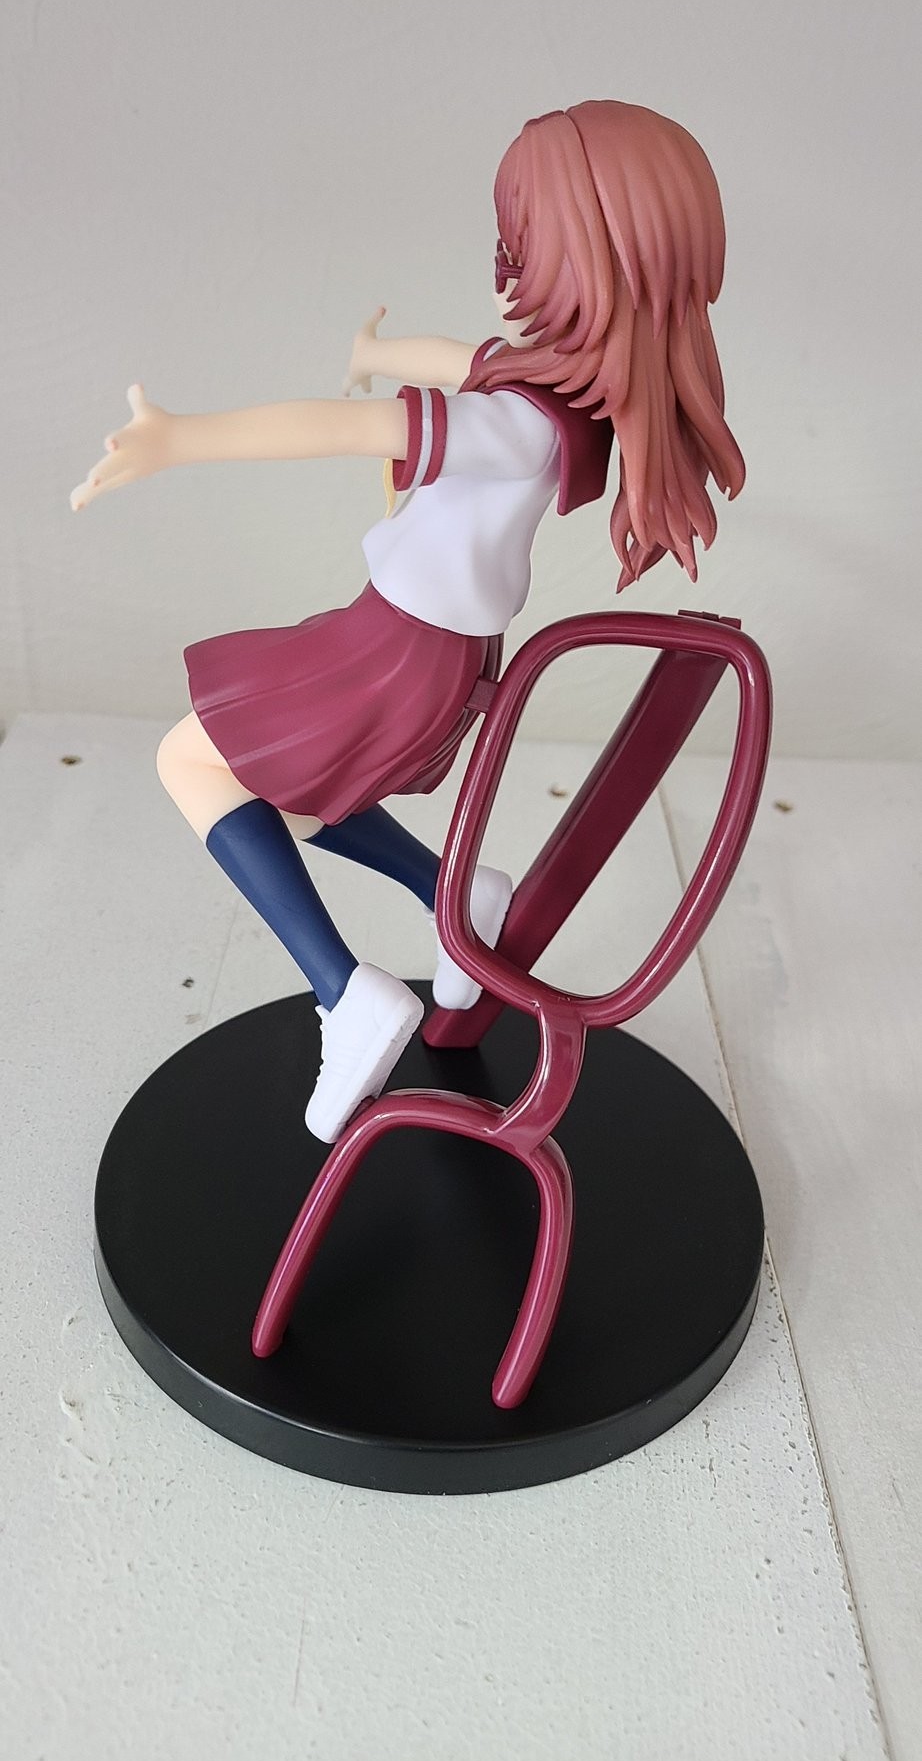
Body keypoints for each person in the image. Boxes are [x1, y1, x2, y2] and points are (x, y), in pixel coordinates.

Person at [70, 101, 744, 1143]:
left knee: (191, 762)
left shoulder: (512, 426)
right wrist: (377, 348)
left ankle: (346, 993)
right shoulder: (563, 399)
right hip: (425, 643)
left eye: (524, 231)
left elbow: (340, 430)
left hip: (398, 651)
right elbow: (458, 359)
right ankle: (454, 893)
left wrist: (179, 439)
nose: (508, 256)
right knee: (285, 790)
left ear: (580, 253)